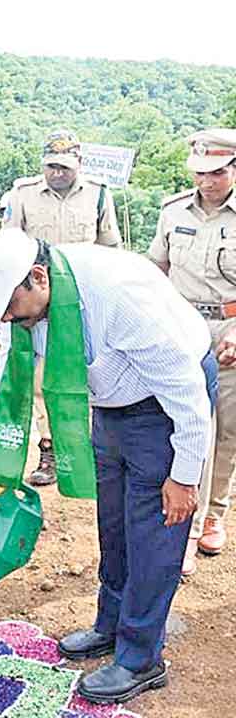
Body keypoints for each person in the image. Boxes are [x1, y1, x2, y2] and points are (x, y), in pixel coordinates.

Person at [0, 228, 214, 705]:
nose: (2, 316)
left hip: (163, 403)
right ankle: (112, 624)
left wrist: (183, 475)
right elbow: (4, 388)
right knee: (114, 521)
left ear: (38, 277)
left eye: (8, 305)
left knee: (153, 527)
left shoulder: (117, 297)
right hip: (112, 401)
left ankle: (141, 658)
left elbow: (185, 390)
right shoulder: (27, 302)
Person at [1, 130, 122, 487]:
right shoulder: (23, 194)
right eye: (51, 166)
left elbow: (110, 248)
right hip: (40, 303)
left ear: (78, 164)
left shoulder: (99, 194)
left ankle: (90, 448)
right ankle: (50, 449)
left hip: (84, 303)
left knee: (90, 376)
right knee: (42, 382)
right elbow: (10, 246)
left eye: (64, 167)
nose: (57, 173)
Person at [146, 128, 236, 576]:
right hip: (178, 326)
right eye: (200, 174)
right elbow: (156, 270)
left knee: (223, 429)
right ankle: (183, 522)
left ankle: (212, 515)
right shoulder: (172, 211)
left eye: (217, 173)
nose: (207, 182)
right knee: (178, 421)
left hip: (229, 329)